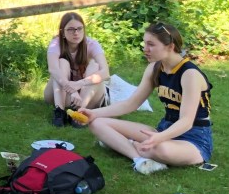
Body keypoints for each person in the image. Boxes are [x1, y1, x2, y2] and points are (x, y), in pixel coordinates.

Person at [83, 22, 213, 175]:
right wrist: (94, 113)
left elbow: (186, 121)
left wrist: (160, 138)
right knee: (97, 123)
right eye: (145, 43)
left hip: (193, 138)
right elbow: (131, 104)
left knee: (160, 149)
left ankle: (123, 144)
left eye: (151, 44)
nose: (145, 49)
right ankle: (139, 159)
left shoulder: (189, 74)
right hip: (163, 130)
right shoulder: (154, 68)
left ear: (170, 46)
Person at [44, 12, 110, 126]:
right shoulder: (56, 44)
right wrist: (72, 90)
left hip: (86, 96)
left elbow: (105, 72)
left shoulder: (92, 44)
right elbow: (53, 69)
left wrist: (79, 84)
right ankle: (59, 112)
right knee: (62, 62)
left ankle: (80, 112)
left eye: (79, 28)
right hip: (62, 95)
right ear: (62, 32)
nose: (76, 33)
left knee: (95, 65)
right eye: (71, 29)